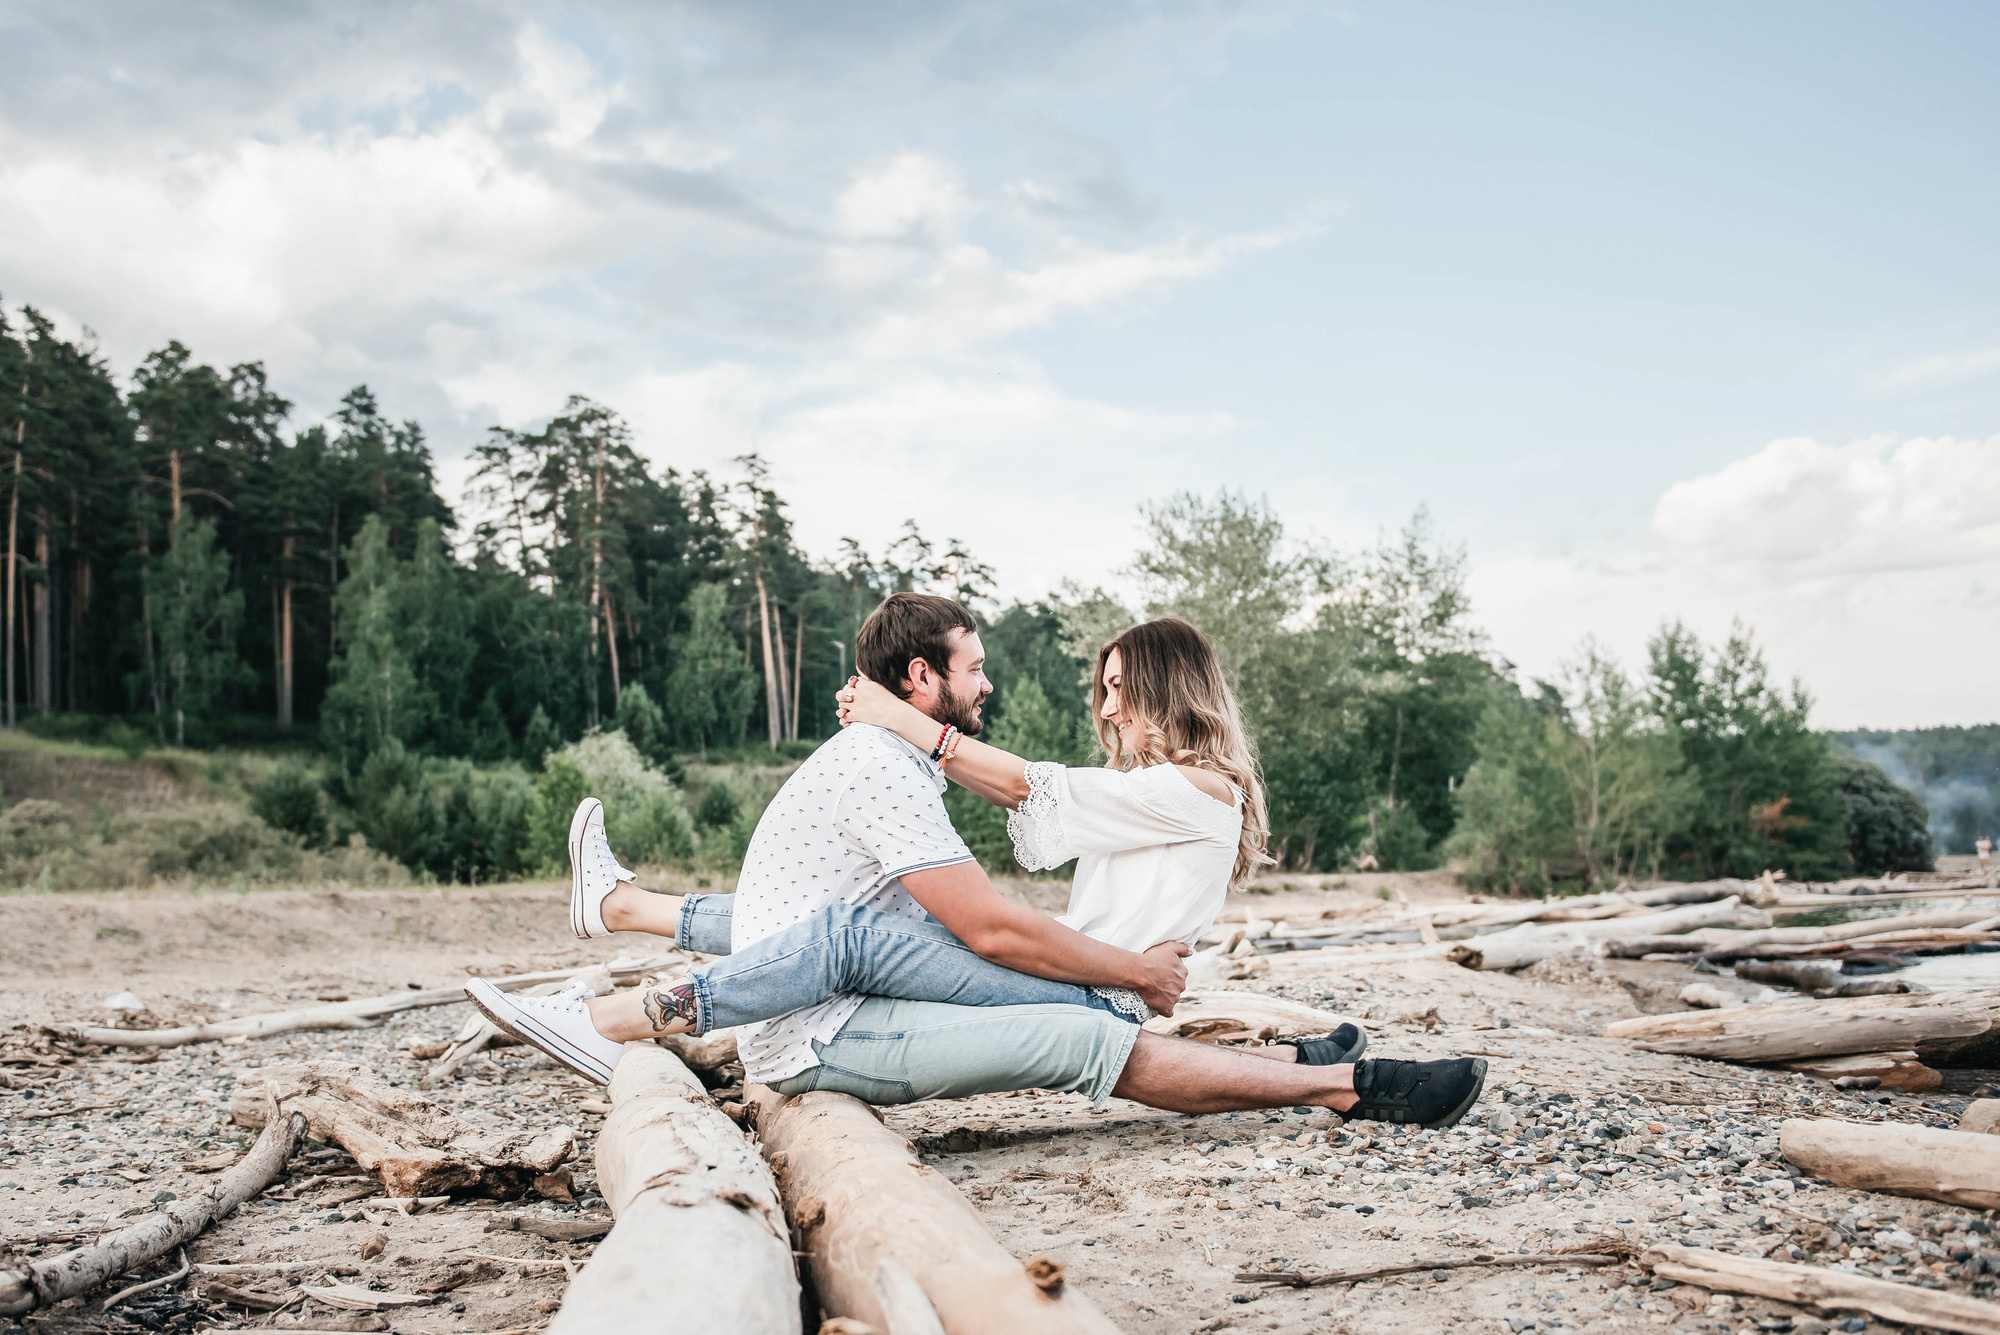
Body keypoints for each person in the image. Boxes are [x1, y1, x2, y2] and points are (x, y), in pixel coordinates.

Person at [470, 593, 1487, 1127]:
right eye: (1099, 687)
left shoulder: (1193, 789)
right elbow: (1029, 811)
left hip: (1080, 991)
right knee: (858, 924)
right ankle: (627, 912)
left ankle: (618, 998)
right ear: (927, 674)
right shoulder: (1151, 790)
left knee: (856, 930)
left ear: (1168, 688)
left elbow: (1027, 791)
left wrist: (907, 727)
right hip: (1068, 977)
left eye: (1115, 687)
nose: (1102, 706)